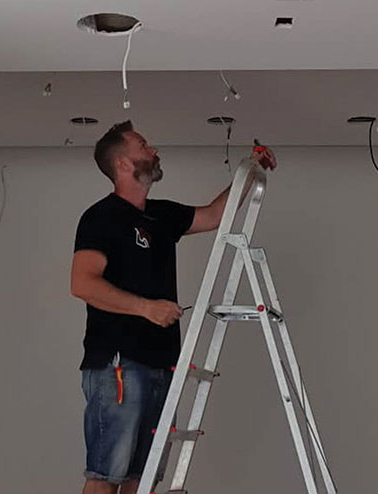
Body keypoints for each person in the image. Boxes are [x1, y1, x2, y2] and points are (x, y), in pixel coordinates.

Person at [70, 120, 277, 494]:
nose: (153, 149)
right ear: (121, 163)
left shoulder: (160, 215)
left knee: (143, 478)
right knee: (105, 475)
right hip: (119, 364)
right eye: (142, 145)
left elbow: (214, 215)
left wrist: (250, 169)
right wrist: (146, 308)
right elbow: (83, 283)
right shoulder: (101, 217)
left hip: (162, 364)